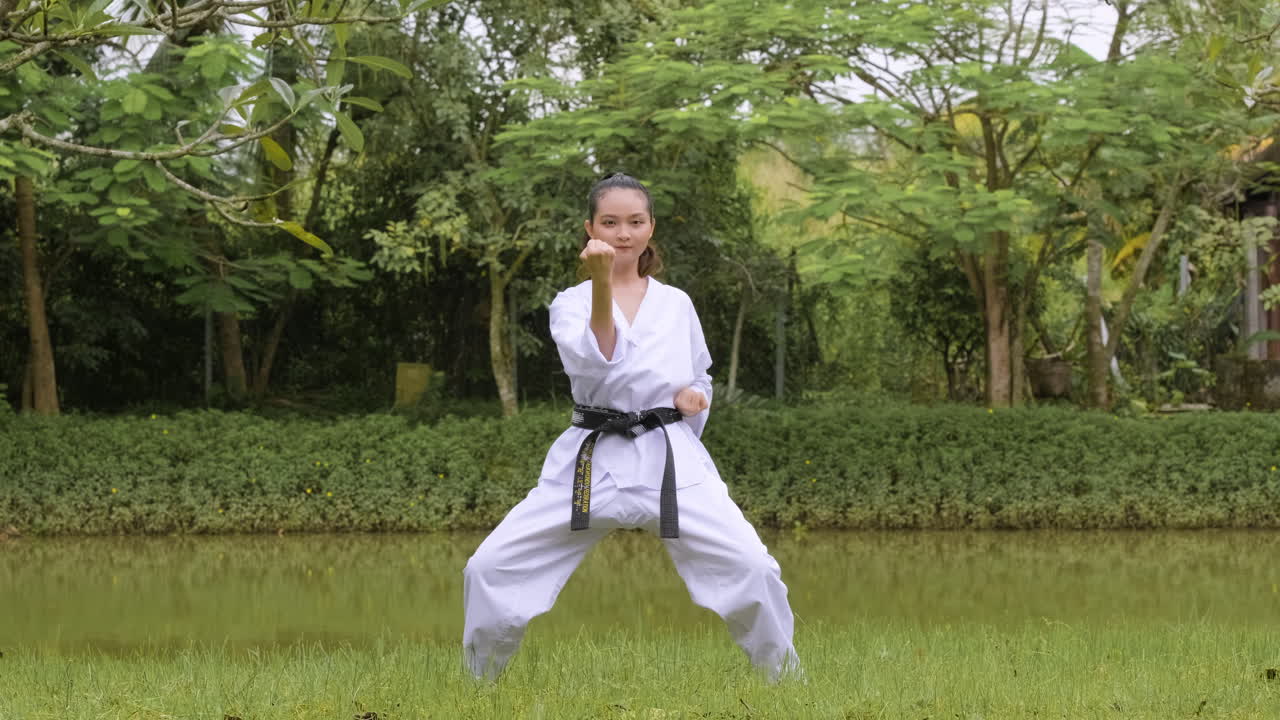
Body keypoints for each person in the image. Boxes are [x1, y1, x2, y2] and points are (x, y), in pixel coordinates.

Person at [462, 172, 800, 681]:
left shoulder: (676, 303)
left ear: (650, 227)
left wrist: (695, 397)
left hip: (669, 459)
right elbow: (599, 361)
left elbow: (698, 374)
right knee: (487, 570)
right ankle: (478, 683)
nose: (624, 233)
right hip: (590, 461)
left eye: (635, 222)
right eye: (611, 222)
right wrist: (601, 281)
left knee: (753, 567)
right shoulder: (570, 302)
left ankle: (783, 679)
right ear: (590, 228)